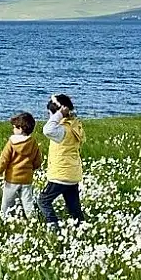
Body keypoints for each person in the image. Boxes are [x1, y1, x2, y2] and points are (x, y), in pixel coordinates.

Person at [37, 93, 86, 228]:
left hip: (61, 174)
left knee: (43, 201)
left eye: (50, 115)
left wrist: (59, 114)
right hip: (73, 173)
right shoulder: (75, 125)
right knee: (73, 206)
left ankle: (54, 228)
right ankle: (81, 228)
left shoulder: (61, 129)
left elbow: (47, 130)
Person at [0, 111, 43, 220]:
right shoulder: (33, 142)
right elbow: (38, 159)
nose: (13, 129)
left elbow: (3, 160)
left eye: (14, 127)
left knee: (7, 201)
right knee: (27, 200)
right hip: (27, 178)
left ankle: (5, 218)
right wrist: (34, 167)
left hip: (12, 178)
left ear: (20, 129)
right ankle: (32, 218)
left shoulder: (12, 143)